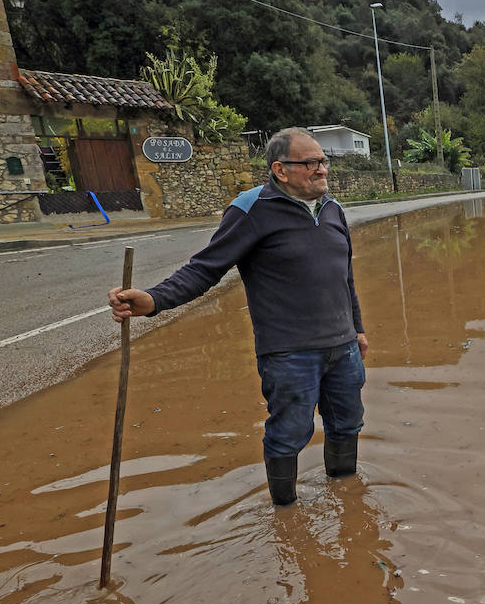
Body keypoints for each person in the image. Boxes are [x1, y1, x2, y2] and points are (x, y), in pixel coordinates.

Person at [108, 128, 368, 506]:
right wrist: (153, 299)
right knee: (289, 434)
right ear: (280, 170)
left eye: (323, 162)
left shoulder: (333, 209)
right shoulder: (250, 210)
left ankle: (346, 499)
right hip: (288, 353)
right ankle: (285, 514)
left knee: (348, 424)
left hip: (343, 348)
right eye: (311, 163)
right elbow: (204, 269)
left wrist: (357, 329)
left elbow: (344, 276)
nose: (322, 170)